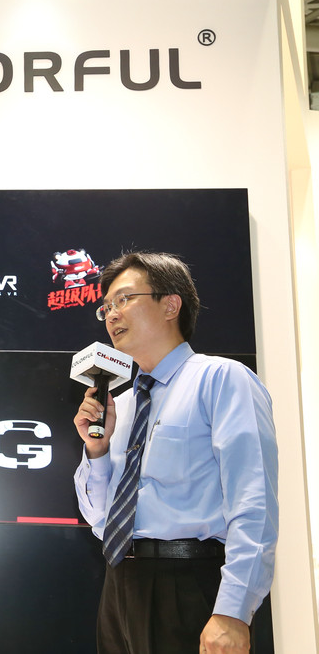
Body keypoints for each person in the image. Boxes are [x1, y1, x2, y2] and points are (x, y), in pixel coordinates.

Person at [73, 252, 278, 654]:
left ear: (171, 305)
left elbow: (254, 502)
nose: (112, 315)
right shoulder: (120, 405)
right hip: (119, 587)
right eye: (106, 307)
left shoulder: (222, 379)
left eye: (124, 299)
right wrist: (97, 451)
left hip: (190, 583)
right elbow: (99, 521)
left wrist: (233, 611)